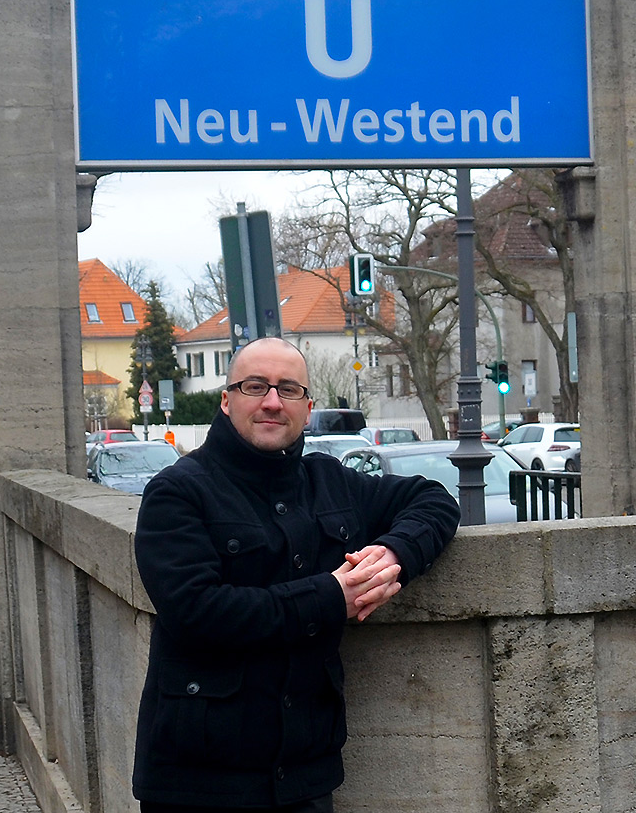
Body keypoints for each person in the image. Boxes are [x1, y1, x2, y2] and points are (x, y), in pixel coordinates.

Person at [133, 337, 460, 813]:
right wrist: (331, 595)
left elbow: (433, 500)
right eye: (255, 386)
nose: (271, 402)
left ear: (307, 409)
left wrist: (393, 555)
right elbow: (195, 611)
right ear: (227, 401)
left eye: (288, 390)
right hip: (199, 779)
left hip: (305, 775)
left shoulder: (330, 481)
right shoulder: (177, 492)